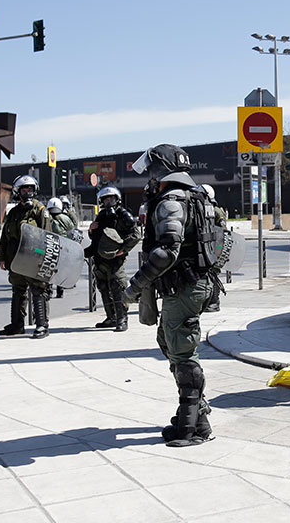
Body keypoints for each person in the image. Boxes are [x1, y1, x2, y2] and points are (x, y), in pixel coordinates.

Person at [123, 144, 220, 447]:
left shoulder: (171, 202)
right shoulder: (196, 196)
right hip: (193, 284)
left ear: (159, 171)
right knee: (170, 344)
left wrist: (135, 285)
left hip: (185, 286)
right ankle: (195, 416)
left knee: (183, 353)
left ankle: (191, 429)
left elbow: (167, 251)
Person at [0, 175, 53, 339]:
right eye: (24, 189)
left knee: (38, 290)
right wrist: (2, 257)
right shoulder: (13, 212)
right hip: (15, 258)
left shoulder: (40, 210)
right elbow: (5, 236)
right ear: (17, 192)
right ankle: (17, 325)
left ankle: (42, 324)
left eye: (30, 189)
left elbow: (48, 236)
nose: (28, 192)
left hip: (34, 258)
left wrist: (44, 258)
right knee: (18, 291)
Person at [85, 187, 140, 332]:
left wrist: (123, 250)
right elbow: (96, 238)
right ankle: (111, 318)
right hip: (100, 260)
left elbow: (136, 235)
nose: (109, 202)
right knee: (103, 288)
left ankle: (122, 319)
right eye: (106, 199)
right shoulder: (102, 215)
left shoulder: (123, 216)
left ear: (117, 199)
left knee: (118, 288)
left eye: (112, 199)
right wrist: (91, 230)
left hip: (115, 261)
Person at [201, 183, 226, 313]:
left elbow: (222, 231)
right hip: (209, 246)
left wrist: (217, 250)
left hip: (216, 246)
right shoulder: (206, 208)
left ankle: (215, 302)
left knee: (213, 273)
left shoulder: (216, 211)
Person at [47, 197, 76, 298]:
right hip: (63, 247)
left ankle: (49, 290)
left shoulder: (46, 217)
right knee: (60, 269)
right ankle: (60, 291)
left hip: (49, 247)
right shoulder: (65, 218)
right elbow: (72, 232)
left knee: (49, 269)